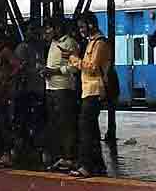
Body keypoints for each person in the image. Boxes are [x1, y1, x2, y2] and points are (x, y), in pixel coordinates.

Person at [71, 11, 112, 178]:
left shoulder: (99, 43)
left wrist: (74, 59)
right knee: (92, 131)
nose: (80, 30)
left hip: (94, 90)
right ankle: (98, 165)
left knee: (86, 130)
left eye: (82, 26)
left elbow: (93, 67)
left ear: (91, 25)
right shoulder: (92, 42)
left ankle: (86, 165)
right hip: (89, 90)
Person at [43, 19, 80, 172]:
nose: (46, 33)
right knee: (55, 124)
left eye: (48, 29)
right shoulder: (52, 43)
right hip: (50, 88)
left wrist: (56, 71)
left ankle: (69, 157)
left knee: (66, 124)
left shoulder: (70, 43)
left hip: (64, 89)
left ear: (57, 28)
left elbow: (75, 66)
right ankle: (60, 157)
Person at [13, 20, 48, 164]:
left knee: (32, 121)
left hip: (34, 90)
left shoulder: (37, 48)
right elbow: (20, 70)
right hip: (28, 91)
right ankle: (30, 147)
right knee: (29, 121)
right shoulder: (24, 48)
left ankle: (30, 148)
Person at [0, 28, 22, 167]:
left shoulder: (5, 51)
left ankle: (7, 153)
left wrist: (7, 78)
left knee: (3, 123)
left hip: (3, 92)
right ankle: (3, 152)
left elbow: (18, 66)